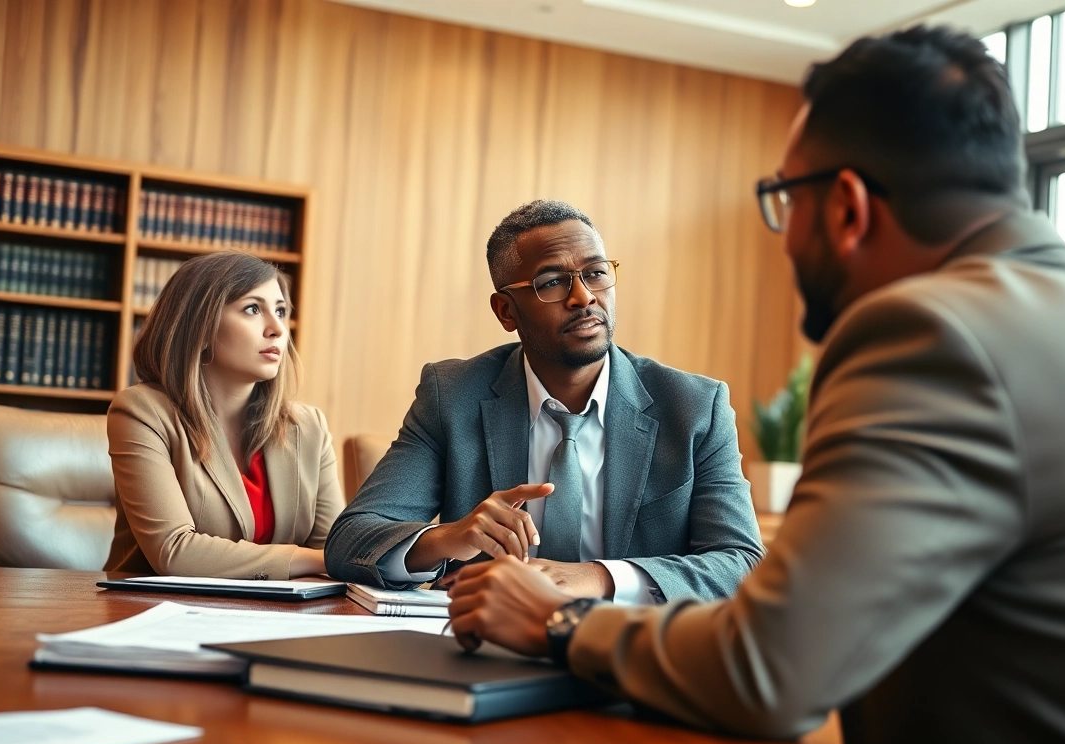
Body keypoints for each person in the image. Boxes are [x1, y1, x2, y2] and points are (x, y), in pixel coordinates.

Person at [442, 26, 1065, 744]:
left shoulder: (929, 333)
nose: (785, 232)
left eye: (785, 200)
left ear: (848, 207)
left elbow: (771, 674)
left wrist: (554, 620)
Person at [324, 200, 764, 604]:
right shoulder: (453, 394)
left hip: (629, 654)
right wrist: (448, 538)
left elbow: (742, 563)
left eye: (595, 273)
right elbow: (351, 540)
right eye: (552, 282)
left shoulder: (693, 407)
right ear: (506, 312)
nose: (584, 297)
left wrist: (594, 577)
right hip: (490, 649)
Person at [105, 251, 342, 578]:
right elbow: (174, 552)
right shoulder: (141, 412)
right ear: (199, 326)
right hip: (159, 615)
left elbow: (333, 545)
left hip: (279, 620)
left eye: (281, 311)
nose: (277, 329)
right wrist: (315, 560)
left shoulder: (309, 426)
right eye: (253, 309)